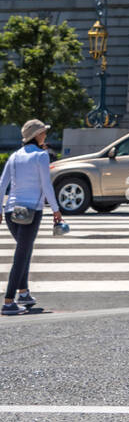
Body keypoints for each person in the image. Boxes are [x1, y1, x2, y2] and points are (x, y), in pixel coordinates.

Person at [1, 119, 63, 316]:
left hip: (12, 211)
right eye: (43, 132)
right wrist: (56, 209)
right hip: (31, 212)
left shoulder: (14, 156)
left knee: (24, 251)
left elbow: (2, 184)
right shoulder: (41, 156)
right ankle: (9, 301)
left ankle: (24, 293)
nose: (45, 135)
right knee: (21, 255)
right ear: (36, 135)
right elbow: (46, 185)